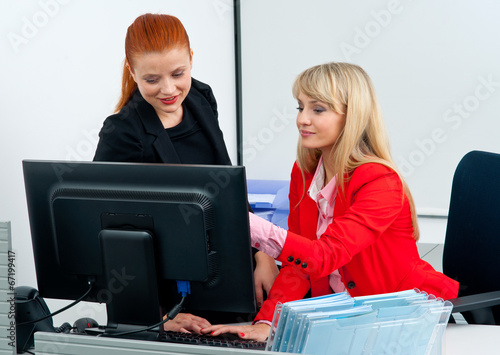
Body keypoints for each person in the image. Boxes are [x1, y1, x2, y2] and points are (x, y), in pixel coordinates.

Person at [201, 62, 459, 341]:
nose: (302, 119)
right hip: (342, 320)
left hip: (403, 318)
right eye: (300, 107)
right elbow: (297, 265)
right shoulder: (305, 172)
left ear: (352, 117)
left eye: (318, 109)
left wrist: (243, 222)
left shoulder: (380, 182)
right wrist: (267, 321)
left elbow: (325, 256)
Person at [93, 13, 278, 333]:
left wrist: (262, 253)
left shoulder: (200, 99)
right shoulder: (123, 132)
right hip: (172, 303)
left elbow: (225, 188)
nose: (168, 89)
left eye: (178, 73)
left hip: (229, 281)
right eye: (151, 79)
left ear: (191, 59)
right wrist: (157, 318)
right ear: (131, 71)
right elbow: (107, 236)